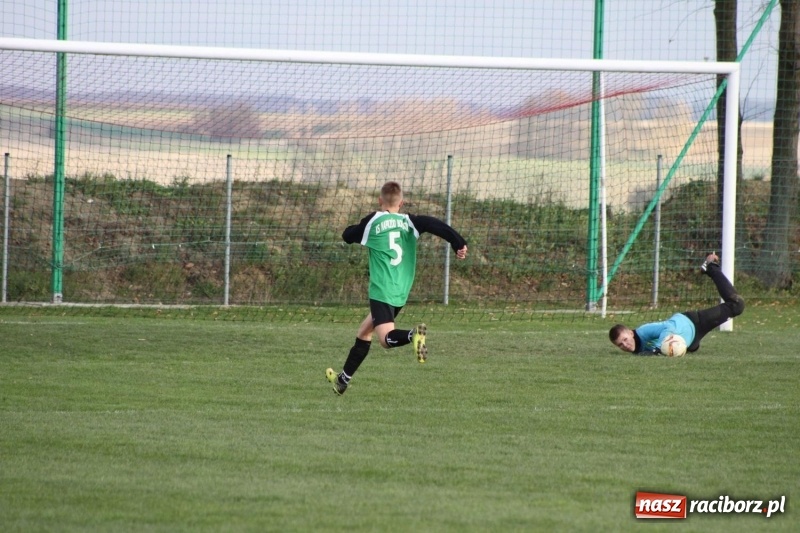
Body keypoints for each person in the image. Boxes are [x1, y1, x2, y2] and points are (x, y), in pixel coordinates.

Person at [326, 181, 468, 395]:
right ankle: (342, 380)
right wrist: (458, 242)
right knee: (365, 332)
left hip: (381, 289)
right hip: (401, 290)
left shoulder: (373, 221)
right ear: (401, 202)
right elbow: (435, 224)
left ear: (379, 200)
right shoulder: (411, 221)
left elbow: (347, 237)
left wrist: (353, 229)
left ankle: (413, 335)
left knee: (385, 339)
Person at [609, 252, 745, 355]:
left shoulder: (643, 331)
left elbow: (667, 327)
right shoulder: (638, 352)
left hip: (693, 323)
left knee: (736, 305)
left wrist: (660, 346)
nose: (625, 345)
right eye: (620, 345)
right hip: (690, 342)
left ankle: (711, 267)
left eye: (625, 339)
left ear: (630, 333)